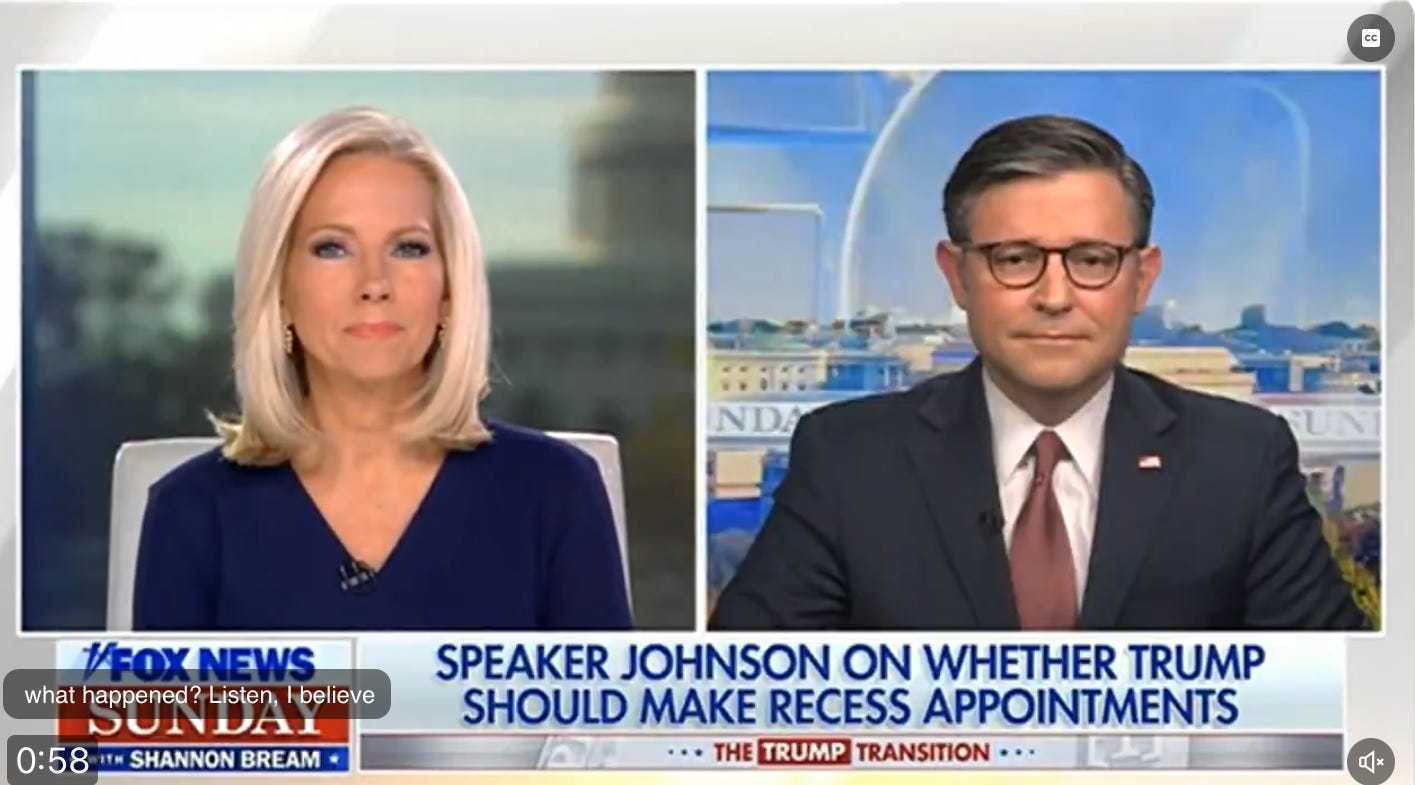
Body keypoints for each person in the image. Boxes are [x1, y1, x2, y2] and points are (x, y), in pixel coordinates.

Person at [711, 114, 1368, 631]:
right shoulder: (848, 458)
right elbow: (745, 699)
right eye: (1016, 258)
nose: (1054, 296)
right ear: (957, 275)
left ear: (1142, 279)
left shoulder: (1239, 459)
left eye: (1092, 259)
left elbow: (1334, 698)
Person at [133, 107, 632, 631]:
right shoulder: (191, 514)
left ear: (449, 291)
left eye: (408, 248)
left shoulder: (555, 492)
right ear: (279, 290)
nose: (374, 283)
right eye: (332, 248)